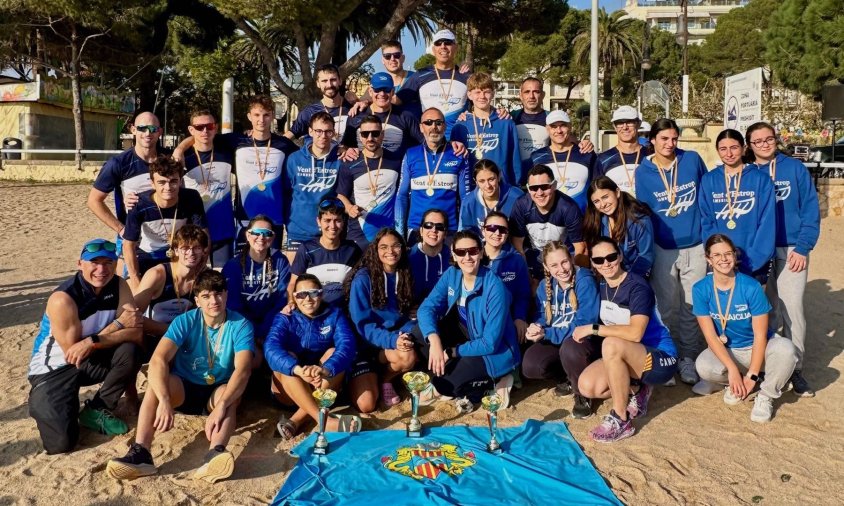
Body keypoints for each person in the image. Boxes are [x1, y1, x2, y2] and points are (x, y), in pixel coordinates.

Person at [105, 270, 254, 482]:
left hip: (216, 390)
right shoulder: (185, 321)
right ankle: (141, 453)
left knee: (230, 395)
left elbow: (243, 369)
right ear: (197, 300)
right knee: (156, 385)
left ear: (226, 295)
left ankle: (215, 453)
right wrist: (165, 400)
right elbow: (158, 360)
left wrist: (221, 406)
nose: (214, 300)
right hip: (183, 387)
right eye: (206, 296)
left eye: (218, 294)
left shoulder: (240, 325)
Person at [28, 239, 143, 454]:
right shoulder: (63, 299)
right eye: (94, 263)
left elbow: (135, 331)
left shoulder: (119, 285)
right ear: (80, 264)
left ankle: (98, 409)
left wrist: (93, 341)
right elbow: (73, 351)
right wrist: (117, 325)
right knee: (61, 444)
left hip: (90, 356)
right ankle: (45, 401)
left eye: (108, 263)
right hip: (54, 370)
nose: (102, 269)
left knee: (130, 350)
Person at [577, 237, 678, 443]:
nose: (606, 263)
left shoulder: (638, 286)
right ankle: (639, 388)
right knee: (588, 386)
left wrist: (593, 328)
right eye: (598, 260)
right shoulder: (603, 284)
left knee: (610, 343)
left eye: (611, 257)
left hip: (659, 357)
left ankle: (621, 419)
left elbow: (635, 334)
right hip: (630, 356)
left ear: (620, 256)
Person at [746, 122, 820, 397]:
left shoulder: (794, 169)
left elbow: (811, 210)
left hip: (790, 248)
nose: (765, 144)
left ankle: (796, 368)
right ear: (749, 145)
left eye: (769, 139)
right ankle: (766, 363)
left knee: (792, 308)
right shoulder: (747, 173)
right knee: (764, 308)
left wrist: (803, 247)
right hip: (757, 249)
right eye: (758, 141)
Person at [691, 234, 798, 423]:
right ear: (708, 259)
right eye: (716, 255)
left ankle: (766, 394)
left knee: (786, 350)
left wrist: (754, 375)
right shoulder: (700, 288)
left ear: (735, 256)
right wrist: (732, 370)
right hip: (730, 350)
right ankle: (734, 382)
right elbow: (710, 336)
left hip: (759, 348)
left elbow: (759, 336)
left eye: (728, 253)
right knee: (703, 366)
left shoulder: (751, 286)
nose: (723, 259)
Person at [635, 118, 708, 385]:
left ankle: (688, 357)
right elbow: (643, 212)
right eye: (664, 138)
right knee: (665, 306)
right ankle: (667, 356)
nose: (670, 144)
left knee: (691, 305)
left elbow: (706, 196)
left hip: (696, 245)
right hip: (663, 247)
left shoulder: (692, 160)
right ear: (652, 140)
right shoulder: (643, 171)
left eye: (674, 138)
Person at [174, 95, 298, 251]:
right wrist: (179, 149)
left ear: (273, 116)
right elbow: (201, 136)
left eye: (266, 115)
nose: (262, 120)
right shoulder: (236, 141)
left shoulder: (284, 145)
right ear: (249, 117)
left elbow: (309, 154)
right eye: (257, 115)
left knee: (273, 267)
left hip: (275, 219)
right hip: (245, 219)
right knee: (244, 267)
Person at [415, 230, 521, 408]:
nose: (467, 257)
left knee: (444, 385)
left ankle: (502, 377)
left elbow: (489, 343)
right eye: (461, 252)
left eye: (472, 251)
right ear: (454, 256)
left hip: (494, 351)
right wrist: (434, 340)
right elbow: (426, 308)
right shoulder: (452, 274)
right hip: (467, 336)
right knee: (419, 334)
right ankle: (464, 375)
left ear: (480, 252)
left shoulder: (496, 288)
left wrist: (452, 352)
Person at [265, 274, 360, 440]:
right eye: (301, 294)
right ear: (294, 297)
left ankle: (296, 420)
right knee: (286, 358)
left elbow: (347, 345)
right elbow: (270, 349)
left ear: (321, 294)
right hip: (290, 389)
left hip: (321, 383)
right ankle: (322, 419)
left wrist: (325, 369)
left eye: (313, 293)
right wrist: (298, 370)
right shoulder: (285, 317)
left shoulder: (334, 314)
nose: (307, 299)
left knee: (334, 355)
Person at [523, 241, 600, 418]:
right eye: (554, 265)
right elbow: (543, 315)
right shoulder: (545, 285)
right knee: (531, 365)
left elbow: (585, 323)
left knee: (570, 348)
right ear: (546, 267)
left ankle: (582, 394)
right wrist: (537, 327)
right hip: (557, 335)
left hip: (584, 340)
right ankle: (567, 379)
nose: (562, 269)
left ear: (571, 258)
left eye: (564, 262)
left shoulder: (584, 281)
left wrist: (548, 333)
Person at [346, 229, 417, 410]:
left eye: (395, 246)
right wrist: (393, 340)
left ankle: (386, 379)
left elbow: (407, 313)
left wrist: (404, 335)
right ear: (375, 250)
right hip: (365, 345)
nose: (390, 251)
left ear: (402, 248)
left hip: (391, 343)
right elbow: (363, 325)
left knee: (408, 356)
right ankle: (363, 381)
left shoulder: (407, 273)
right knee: (366, 405)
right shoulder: (363, 279)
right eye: (383, 247)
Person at [87, 112, 163, 263]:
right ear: (133, 130)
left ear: (160, 132)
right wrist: (122, 229)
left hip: (166, 240)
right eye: (142, 128)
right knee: (131, 284)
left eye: (153, 129)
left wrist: (180, 149)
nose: (148, 133)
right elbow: (94, 201)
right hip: (134, 241)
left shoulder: (170, 159)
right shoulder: (118, 163)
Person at [122, 155, 208, 290]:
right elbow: (128, 246)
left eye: (173, 181)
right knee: (135, 296)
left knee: (201, 287)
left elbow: (204, 237)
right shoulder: (139, 203)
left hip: (178, 254)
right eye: (161, 182)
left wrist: (199, 268)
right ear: (152, 183)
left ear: (180, 181)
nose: (168, 187)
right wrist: (135, 278)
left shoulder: (191, 198)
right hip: (147, 254)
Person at [700, 129, 776, 279]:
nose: (728, 154)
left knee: (752, 301)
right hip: (721, 262)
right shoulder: (709, 180)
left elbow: (767, 223)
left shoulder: (761, 179)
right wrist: (719, 256)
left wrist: (754, 260)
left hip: (754, 261)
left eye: (734, 148)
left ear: (743, 148)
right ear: (717, 151)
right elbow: (706, 221)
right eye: (723, 149)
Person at [222, 215, 291, 367]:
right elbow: (233, 306)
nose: (261, 237)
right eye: (257, 232)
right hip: (243, 324)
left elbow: (282, 299)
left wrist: (265, 329)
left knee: (280, 353)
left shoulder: (280, 261)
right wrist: (255, 332)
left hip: (273, 323)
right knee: (254, 358)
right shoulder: (233, 266)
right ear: (247, 235)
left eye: (267, 233)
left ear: (273, 238)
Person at [395, 107, 470, 242]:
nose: (433, 127)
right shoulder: (411, 154)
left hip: (448, 230)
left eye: (438, 122)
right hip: (417, 228)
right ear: (421, 127)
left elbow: (465, 197)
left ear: (445, 126)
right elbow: (402, 196)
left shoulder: (458, 154)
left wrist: (461, 232)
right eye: (428, 122)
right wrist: (400, 235)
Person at [133, 225, 208, 350]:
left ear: (203, 250)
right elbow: (134, 316)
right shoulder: (157, 275)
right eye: (185, 248)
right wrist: (170, 330)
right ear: (176, 250)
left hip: (186, 337)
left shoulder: (204, 277)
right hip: (154, 335)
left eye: (197, 248)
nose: (191, 253)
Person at [509, 164, 586, 284]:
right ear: (528, 189)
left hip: (562, 257)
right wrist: (528, 279)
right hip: (533, 257)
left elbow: (580, 247)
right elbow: (517, 246)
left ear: (554, 185)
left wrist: (570, 281)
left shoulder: (568, 207)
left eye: (544, 187)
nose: (539, 193)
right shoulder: (521, 205)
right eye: (534, 188)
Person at [337, 115, 403, 249]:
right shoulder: (350, 162)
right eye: (365, 134)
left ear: (382, 135)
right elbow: (340, 194)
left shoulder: (397, 160)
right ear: (360, 136)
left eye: (375, 133)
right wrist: (349, 207)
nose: (370, 138)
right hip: (359, 232)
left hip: (388, 233)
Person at [283, 112, 341, 260]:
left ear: (333, 133)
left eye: (328, 131)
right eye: (318, 131)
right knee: (296, 279)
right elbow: (285, 192)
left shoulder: (340, 160)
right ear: (310, 132)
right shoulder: (294, 159)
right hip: (298, 230)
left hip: (328, 231)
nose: (323, 136)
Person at [181, 109, 236, 268]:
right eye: (199, 127)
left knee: (221, 279)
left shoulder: (227, 151)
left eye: (209, 126)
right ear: (191, 130)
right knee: (193, 280)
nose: (205, 131)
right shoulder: (183, 157)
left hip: (223, 228)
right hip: (193, 232)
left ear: (216, 128)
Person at [287, 198, 362, 307]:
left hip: (343, 310)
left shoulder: (352, 249)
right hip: (312, 309)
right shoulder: (306, 249)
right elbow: (293, 283)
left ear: (343, 222)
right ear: (319, 221)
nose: (332, 226)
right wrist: (290, 303)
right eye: (327, 220)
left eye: (338, 220)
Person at [397, 29, 471, 138]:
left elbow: (482, 102)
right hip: (430, 141)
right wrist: (366, 100)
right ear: (433, 49)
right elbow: (395, 100)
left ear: (456, 47)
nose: (443, 46)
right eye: (438, 43)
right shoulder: (420, 75)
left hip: (460, 142)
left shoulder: (467, 77)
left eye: (448, 42)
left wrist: (499, 112)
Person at [451, 72, 522, 186]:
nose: (482, 96)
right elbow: (455, 161)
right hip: (471, 189)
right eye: (477, 92)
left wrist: (515, 188)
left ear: (493, 94)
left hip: (501, 188)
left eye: (487, 92)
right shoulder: (460, 126)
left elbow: (515, 160)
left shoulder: (506, 123)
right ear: (469, 95)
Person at [583, 176, 654, 277]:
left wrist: (628, 281)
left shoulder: (639, 220)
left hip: (634, 276)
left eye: (605, 197)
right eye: (596, 201)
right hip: (608, 275)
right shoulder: (595, 221)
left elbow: (646, 256)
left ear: (617, 192)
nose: (602, 204)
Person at [341, 72, 423, 160]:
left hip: (397, 170)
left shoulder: (406, 117)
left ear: (392, 92)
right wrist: (346, 150)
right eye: (377, 90)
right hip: (364, 170)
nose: (382, 94)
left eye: (386, 89)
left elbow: (421, 145)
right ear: (370, 91)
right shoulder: (356, 115)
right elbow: (346, 146)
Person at [530, 110, 597, 212]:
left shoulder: (586, 153)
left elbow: (598, 187)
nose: (559, 130)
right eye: (554, 127)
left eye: (563, 125)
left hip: (583, 218)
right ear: (547, 129)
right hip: (551, 220)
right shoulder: (536, 157)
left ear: (570, 127)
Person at [482, 212, 531, 342]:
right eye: (491, 228)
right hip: (476, 317)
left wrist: (519, 317)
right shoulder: (471, 256)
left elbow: (522, 294)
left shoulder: (516, 259)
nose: (497, 233)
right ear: (483, 230)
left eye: (502, 229)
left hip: (505, 318)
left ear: (507, 234)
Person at [285, 64, 355, 141]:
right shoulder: (308, 112)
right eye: (324, 81)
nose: (329, 85)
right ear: (318, 83)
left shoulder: (353, 108)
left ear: (340, 81)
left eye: (333, 80)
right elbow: (289, 136)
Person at [459, 159, 524, 235]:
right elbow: (467, 233)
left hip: (511, 245)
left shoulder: (517, 197)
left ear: (499, 176)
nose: (488, 185)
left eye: (491, 179)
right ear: (476, 182)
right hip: (481, 245)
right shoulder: (468, 202)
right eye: (482, 181)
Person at [597, 106, 649, 196]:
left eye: (629, 122)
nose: (625, 127)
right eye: (620, 123)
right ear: (614, 126)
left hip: (646, 209)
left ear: (638, 124)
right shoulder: (603, 159)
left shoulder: (651, 155)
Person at [408, 208, 451, 306]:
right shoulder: (407, 258)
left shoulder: (454, 259)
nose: (434, 230)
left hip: (445, 313)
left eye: (439, 227)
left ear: (445, 234)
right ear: (421, 231)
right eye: (428, 225)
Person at [511, 77, 549, 181]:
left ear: (543, 95)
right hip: (516, 180)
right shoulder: (510, 118)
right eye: (527, 92)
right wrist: (466, 115)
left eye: (536, 92)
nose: (531, 96)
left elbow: (569, 143)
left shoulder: (552, 119)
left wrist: (584, 144)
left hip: (542, 181)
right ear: (521, 95)